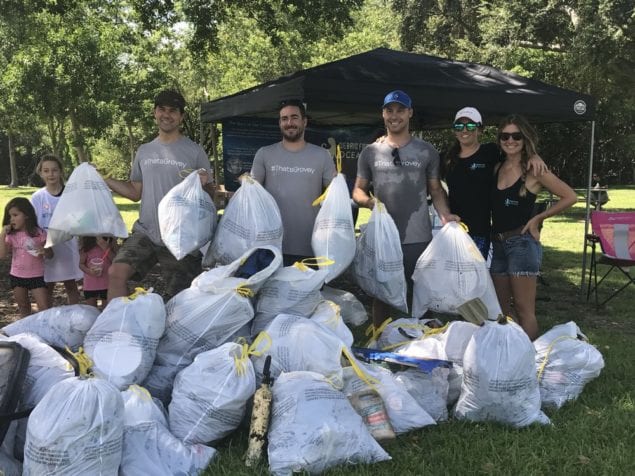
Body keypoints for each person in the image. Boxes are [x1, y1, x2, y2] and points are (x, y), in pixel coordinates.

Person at [353, 90, 460, 327]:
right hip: (383, 236)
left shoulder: (426, 151)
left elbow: (436, 191)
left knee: (422, 293)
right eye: (389, 110)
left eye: (400, 110)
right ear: (383, 114)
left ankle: (425, 342)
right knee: (381, 293)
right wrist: (372, 203)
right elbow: (357, 192)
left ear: (410, 113)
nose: (395, 116)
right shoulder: (370, 152)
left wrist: (445, 215)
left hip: (417, 237)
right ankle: (380, 339)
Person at [103, 90, 214, 301]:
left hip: (181, 237)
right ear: (154, 113)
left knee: (179, 298)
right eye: (162, 109)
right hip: (147, 231)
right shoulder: (144, 151)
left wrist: (204, 185)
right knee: (116, 273)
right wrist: (104, 179)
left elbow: (209, 198)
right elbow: (135, 192)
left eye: (173, 111)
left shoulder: (195, 151)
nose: (167, 115)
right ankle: (115, 328)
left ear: (181, 116)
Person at [490, 114, 577, 339]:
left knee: (524, 309)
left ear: (524, 138)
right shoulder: (496, 167)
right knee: (502, 309)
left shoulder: (534, 169)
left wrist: (539, 217)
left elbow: (569, 196)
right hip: (497, 244)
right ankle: (513, 352)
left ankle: (532, 362)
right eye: (505, 136)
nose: (510, 140)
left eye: (516, 136)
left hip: (522, 244)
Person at [443, 107, 547, 258]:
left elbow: (515, 153)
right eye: (459, 126)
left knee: (475, 279)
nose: (465, 129)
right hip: (453, 231)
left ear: (480, 129)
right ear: (454, 130)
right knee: (452, 279)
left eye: (471, 125)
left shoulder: (491, 152)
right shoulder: (447, 158)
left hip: (480, 232)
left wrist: (533, 155)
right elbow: (433, 186)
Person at [251, 99, 337, 266]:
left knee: (306, 293)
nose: (289, 123)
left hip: (311, 246)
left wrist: (339, 183)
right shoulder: (264, 154)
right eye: (284, 119)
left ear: (304, 122)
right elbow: (252, 193)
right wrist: (245, 183)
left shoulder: (322, 155)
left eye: (294, 117)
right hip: (270, 245)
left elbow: (334, 195)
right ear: (280, 123)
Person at [31, 154, 82, 305]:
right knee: (47, 286)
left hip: (67, 247)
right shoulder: (37, 197)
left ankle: (74, 316)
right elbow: (33, 224)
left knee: (71, 285)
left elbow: (78, 220)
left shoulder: (71, 195)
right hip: (46, 249)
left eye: (54, 170)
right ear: (41, 173)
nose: (50, 174)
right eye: (46, 171)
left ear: (61, 172)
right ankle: (47, 318)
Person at [0, 197, 53, 316]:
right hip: (17, 276)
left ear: (27, 215)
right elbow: (2, 255)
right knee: (23, 306)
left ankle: (46, 329)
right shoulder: (11, 235)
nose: (12, 219)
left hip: (37, 276)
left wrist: (44, 251)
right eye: (10, 216)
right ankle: (25, 331)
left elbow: (50, 254)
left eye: (15, 215)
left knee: (44, 307)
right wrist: (2, 235)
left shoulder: (39, 233)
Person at [79, 236, 117, 309]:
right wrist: (89, 271)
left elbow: (115, 260)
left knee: (106, 311)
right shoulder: (87, 246)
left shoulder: (110, 241)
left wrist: (105, 247)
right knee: (91, 311)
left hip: (107, 284)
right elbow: (81, 264)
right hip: (90, 285)